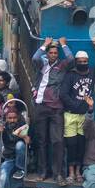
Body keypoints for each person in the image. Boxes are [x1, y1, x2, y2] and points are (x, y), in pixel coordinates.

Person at [59, 41, 95, 184]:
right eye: (80, 61)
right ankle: (70, 172)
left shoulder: (92, 72)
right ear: (76, 62)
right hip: (70, 115)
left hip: (85, 116)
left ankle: (79, 171)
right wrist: (76, 106)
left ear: (88, 61)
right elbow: (63, 94)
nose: (82, 63)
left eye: (85, 61)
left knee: (81, 145)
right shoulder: (70, 75)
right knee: (71, 144)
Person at [30, 37, 70, 180]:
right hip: (41, 105)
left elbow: (71, 59)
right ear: (47, 54)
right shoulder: (42, 65)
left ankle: (58, 173)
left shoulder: (62, 65)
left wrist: (64, 45)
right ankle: (43, 172)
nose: (53, 55)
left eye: (55, 53)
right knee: (42, 141)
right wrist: (44, 45)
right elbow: (35, 58)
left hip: (56, 108)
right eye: (51, 52)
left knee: (57, 141)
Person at [0, 105, 27, 188]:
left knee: (20, 145)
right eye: (10, 118)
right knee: (3, 177)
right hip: (9, 159)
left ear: (18, 118)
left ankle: (20, 169)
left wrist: (27, 139)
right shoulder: (4, 128)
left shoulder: (23, 126)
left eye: (14, 118)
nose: (12, 120)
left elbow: (31, 143)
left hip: (22, 160)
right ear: (6, 118)